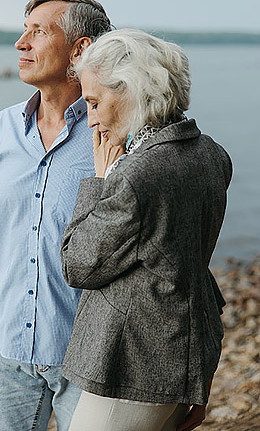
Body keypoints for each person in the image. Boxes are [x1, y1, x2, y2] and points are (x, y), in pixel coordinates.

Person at [60, 29, 232, 431]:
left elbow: (77, 265)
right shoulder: (212, 153)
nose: (92, 118)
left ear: (134, 91)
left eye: (96, 102)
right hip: (185, 352)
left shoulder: (136, 174)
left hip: (132, 366)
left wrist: (100, 181)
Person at [0, 0, 112, 430]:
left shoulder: (116, 133)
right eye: (23, 31)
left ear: (80, 49)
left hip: (89, 360)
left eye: (38, 32)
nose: (21, 44)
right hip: (5, 354)